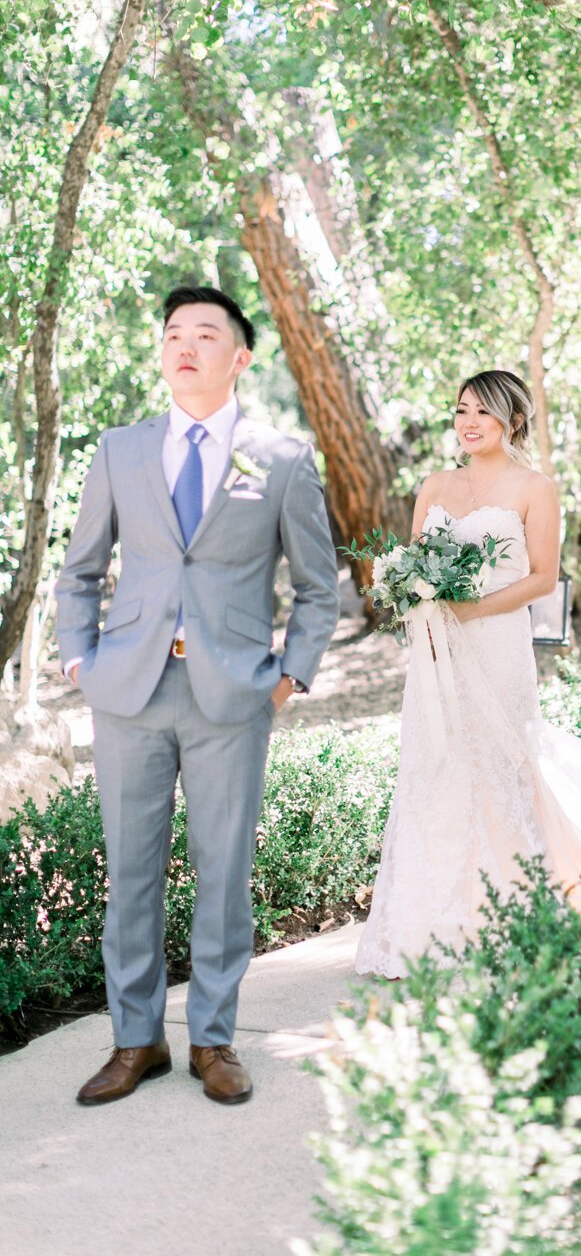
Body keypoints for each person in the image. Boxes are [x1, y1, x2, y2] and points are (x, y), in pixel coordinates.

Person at [56, 285, 340, 1106]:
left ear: (239, 356)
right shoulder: (120, 450)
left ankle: (214, 1041)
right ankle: (135, 1041)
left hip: (232, 695)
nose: (184, 345)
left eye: (205, 334)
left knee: (224, 873)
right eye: (173, 333)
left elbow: (318, 588)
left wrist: (288, 676)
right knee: (130, 874)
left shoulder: (281, 459)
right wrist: (81, 664)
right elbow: (79, 574)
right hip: (130, 693)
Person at [354, 368, 581, 979]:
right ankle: (426, 929)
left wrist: (471, 609)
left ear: (513, 420)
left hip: (496, 643)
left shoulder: (535, 487)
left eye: (483, 413)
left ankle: (514, 915)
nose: (468, 423)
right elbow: (412, 569)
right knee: (435, 767)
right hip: (436, 651)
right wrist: (420, 605)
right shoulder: (434, 484)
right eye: (461, 410)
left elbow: (542, 577)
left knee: (502, 763)